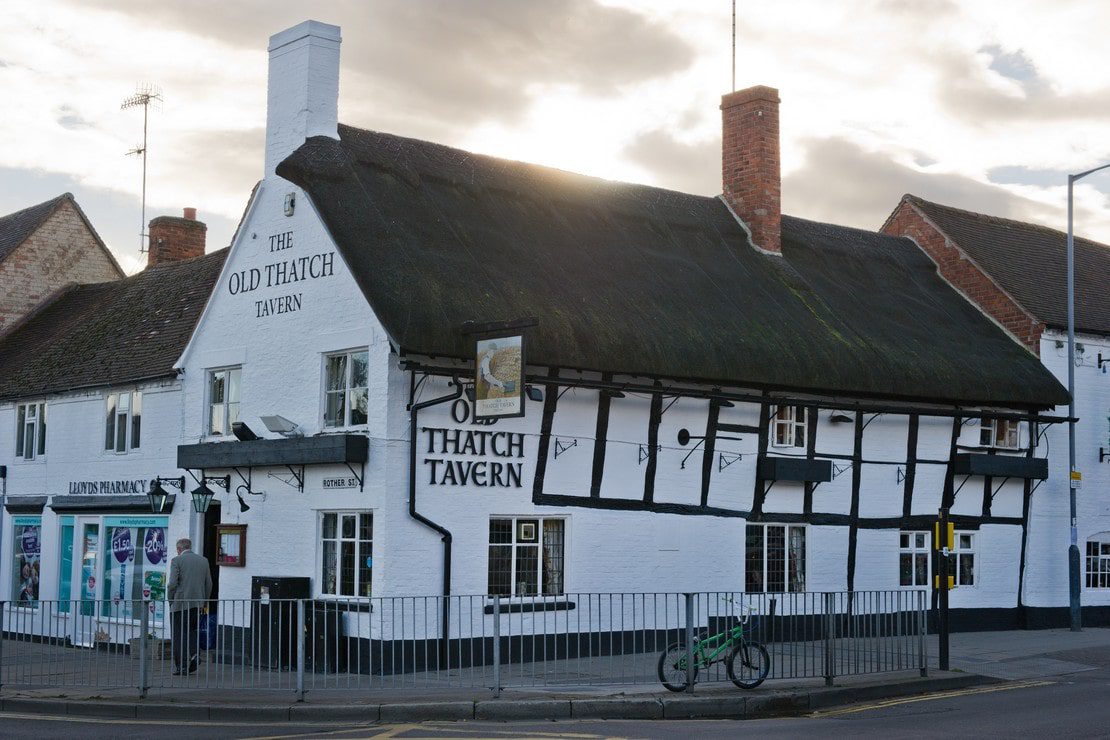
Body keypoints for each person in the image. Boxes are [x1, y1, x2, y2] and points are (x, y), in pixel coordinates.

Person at [167, 537, 212, 675]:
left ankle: (181, 666)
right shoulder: (203, 560)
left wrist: (170, 600)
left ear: (179, 549)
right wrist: (204, 602)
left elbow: (172, 584)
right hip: (197, 604)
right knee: (192, 631)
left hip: (180, 603)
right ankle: (194, 655)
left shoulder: (177, 560)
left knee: (178, 634)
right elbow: (208, 583)